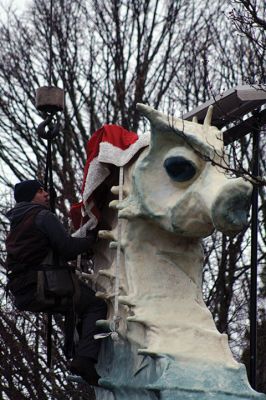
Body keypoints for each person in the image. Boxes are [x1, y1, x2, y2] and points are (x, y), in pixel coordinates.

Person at [5, 179, 107, 386]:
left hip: (24, 290)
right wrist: (92, 238)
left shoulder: (17, 223)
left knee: (75, 306)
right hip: (44, 284)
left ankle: (77, 355)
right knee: (96, 304)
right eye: (41, 191)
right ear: (31, 195)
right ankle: (84, 360)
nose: (46, 194)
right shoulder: (42, 216)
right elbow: (67, 248)